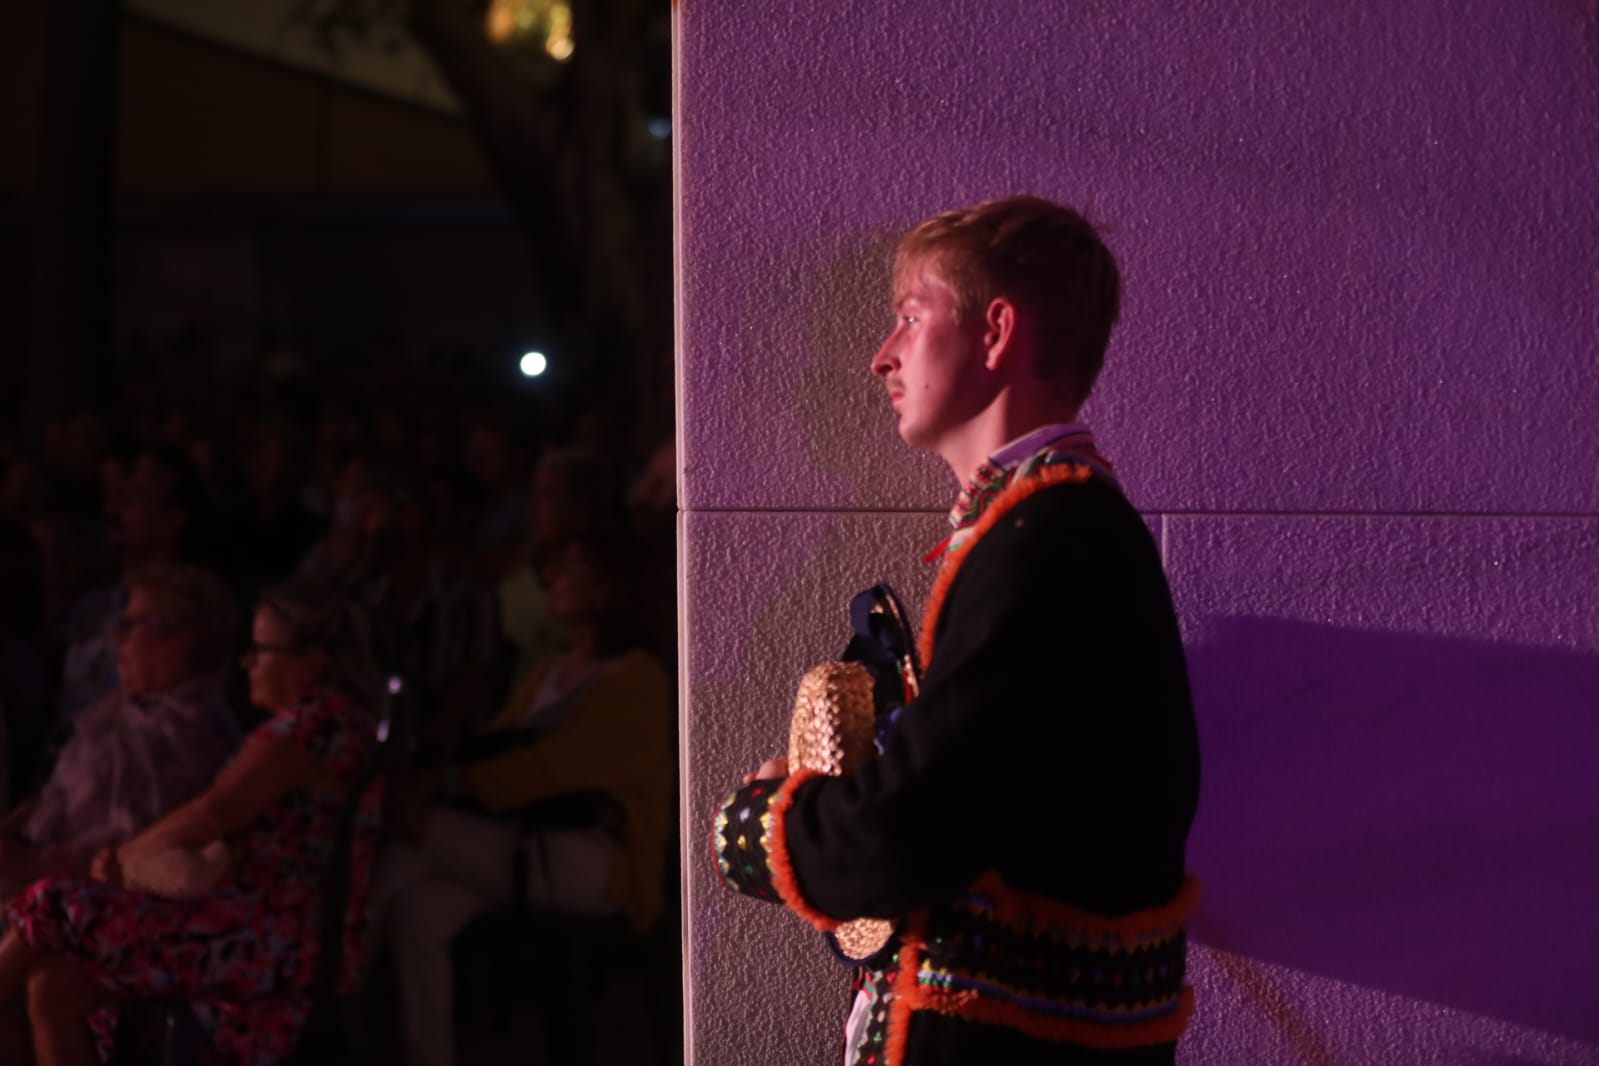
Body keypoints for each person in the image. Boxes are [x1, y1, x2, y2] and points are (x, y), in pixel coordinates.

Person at [710, 196, 1201, 1065]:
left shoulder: (1051, 538)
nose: (880, 356)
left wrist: (763, 825)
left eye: (908, 317)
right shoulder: (1041, 528)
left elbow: (912, 828)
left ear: (995, 331)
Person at [0, 579, 383, 1066]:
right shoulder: (330, 724)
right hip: (249, 927)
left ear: (312, 662)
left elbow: (214, 812)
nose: (246, 663)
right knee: (53, 986)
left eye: (262, 651)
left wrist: (120, 859)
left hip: (266, 943)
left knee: (54, 901)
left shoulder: (316, 725)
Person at [375, 532, 673, 1066]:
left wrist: (441, 786)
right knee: (418, 913)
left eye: (570, 569)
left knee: (408, 826)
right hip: (528, 845)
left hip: (598, 862)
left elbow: (542, 771)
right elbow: (495, 742)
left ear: (608, 588)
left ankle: (334, 976)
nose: (551, 580)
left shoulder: (636, 679)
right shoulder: (551, 671)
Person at [0, 563, 239, 897]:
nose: (117, 638)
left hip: (81, 895)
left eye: (131, 625)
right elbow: (51, 795)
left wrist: (32, 863)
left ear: (181, 640)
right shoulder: (116, 710)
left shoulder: (194, 739)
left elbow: (133, 850)